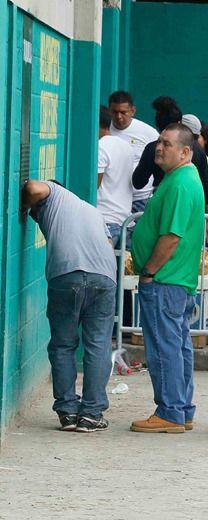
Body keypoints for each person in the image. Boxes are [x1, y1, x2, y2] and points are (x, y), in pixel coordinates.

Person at [20, 179, 117, 433]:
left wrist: (23, 204)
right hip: (104, 278)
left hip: (66, 275)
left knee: (63, 345)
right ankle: (91, 415)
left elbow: (32, 188)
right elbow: (108, 245)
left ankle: (68, 411)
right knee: (98, 345)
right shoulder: (92, 211)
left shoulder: (55, 193)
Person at [129, 122, 206, 434]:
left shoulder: (180, 184)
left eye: (166, 144)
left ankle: (170, 412)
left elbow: (171, 236)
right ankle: (181, 409)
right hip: (174, 279)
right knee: (177, 345)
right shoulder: (182, 179)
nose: (158, 148)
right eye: (159, 142)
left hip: (165, 279)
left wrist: (148, 271)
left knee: (164, 347)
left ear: (185, 152)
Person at [131, 99, 208, 216]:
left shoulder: (152, 149)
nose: (161, 149)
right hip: (189, 208)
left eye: (167, 144)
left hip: (164, 206)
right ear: (179, 122)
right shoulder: (197, 150)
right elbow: (206, 188)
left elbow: (138, 182)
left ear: (184, 153)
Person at [108, 90, 160, 213]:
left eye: (123, 112)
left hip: (140, 197)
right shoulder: (104, 130)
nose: (119, 117)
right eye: (115, 112)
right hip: (113, 199)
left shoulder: (148, 133)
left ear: (133, 111)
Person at [97, 106, 135, 247]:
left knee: (100, 267)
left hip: (105, 220)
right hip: (126, 221)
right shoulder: (126, 146)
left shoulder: (100, 147)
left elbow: (94, 184)